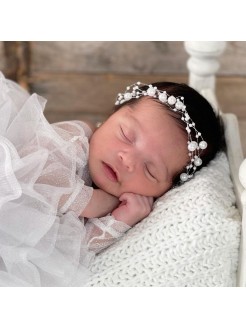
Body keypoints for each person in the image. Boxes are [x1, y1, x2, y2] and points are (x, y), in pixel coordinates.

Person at [0, 73, 224, 286]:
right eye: (126, 135)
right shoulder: (76, 138)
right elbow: (30, 173)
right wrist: (96, 202)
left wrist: (119, 221)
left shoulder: (120, 207)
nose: (127, 160)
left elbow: (72, 253)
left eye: (150, 170)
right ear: (110, 117)